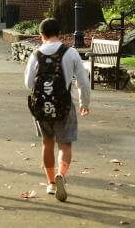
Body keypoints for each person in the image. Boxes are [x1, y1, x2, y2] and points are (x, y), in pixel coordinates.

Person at [24, 18, 90, 202]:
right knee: (65, 144)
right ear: (59, 33)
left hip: (42, 106)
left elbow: (29, 83)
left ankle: (51, 182)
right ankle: (61, 173)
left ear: (41, 35)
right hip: (64, 105)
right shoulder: (71, 53)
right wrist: (85, 103)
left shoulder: (36, 54)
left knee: (47, 142)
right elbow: (83, 82)